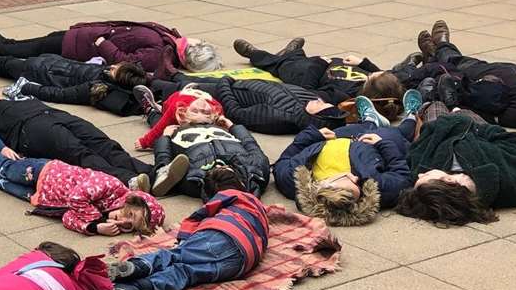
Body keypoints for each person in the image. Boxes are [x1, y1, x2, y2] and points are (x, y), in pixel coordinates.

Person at [107, 171, 271, 290]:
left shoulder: (230, 194)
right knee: (186, 274)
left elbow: (196, 218)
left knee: (174, 255)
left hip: (223, 235)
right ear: (240, 183)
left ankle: (137, 266)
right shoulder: (260, 209)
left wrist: (183, 241)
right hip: (241, 264)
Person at [394, 21, 516, 134]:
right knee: (454, 59)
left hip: (470, 75)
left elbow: (485, 105)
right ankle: (435, 52)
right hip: (491, 67)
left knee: (452, 59)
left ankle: (439, 48)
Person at [0, 86, 151, 184]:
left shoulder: (16, 98)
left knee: (103, 143)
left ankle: (149, 171)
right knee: (79, 152)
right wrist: (3, 148)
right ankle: (127, 179)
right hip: (31, 128)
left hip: (56, 116)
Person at [396, 107, 516, 226]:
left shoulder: (427, 184)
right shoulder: (509, 185)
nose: (421, 174)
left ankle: (427, 100)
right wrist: (480, 129)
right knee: (462, 109)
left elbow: (416, 149)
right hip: (475, 127)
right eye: (426, 176)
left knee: (433, 105)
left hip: (441, 127)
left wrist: (434, 129)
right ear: (449, 181)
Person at [0, 151, 166, 237]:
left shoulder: (107, 215)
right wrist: (96, 220)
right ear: (130, 202)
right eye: (130, 215)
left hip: (43, 200)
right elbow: (76, 198)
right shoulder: (112, 186)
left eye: (130, 226)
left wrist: (93, 228)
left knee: (2, 184)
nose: (124, 221)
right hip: (46, 173)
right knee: (8, 170)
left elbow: (68, 217)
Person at [0, 34, 148, 116]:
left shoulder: (99, 86)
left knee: (6, 64)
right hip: (52, 64)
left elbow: (60, 95)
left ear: (119, 78)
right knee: (5, 67)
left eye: (116, 69)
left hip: (43, 73)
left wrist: (28, 87)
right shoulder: (107, 75)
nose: (113, 66)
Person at [271, 120, 415, 226]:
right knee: (395, 133)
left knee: (361, 124)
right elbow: (401, 175)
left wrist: (310, 136)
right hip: (373, 143)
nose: (355, 177)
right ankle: (411, 118)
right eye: (357, 185)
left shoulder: (293, 179)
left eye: (347, 177)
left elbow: (283, 160)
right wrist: (383, 144)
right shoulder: (378, 190)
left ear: (323, 183)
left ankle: (370, 118)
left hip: (336, 137)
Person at [140, 88, 271, 198]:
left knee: (161, 122)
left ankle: (151, 110)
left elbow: (165, 165)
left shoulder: (193, 180)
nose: (220, 166)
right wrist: (233, 127)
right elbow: (250, 144)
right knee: (194, 106)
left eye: (217, 171)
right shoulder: (257, 171)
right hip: (216, 130)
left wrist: (165, 138)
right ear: (241, 182)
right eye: (227, 169)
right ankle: (157, 106)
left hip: (184, 134)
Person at [138, 74, 346, 136]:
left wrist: (225, 83)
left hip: (221, 94)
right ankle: (150, 77)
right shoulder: (307, 101)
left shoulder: (279, 117)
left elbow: (237, 113)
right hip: (237, 84)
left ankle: (134, 86)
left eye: (321, 106)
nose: (319, 101)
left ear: (315, 118)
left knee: (173, 89)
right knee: (180, 79)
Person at [0, 21, 185, 79]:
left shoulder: (158, 52)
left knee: (38, 48)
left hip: (84, 46)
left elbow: (123, 60)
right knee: (47, 40)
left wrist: (102, 42)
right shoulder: (168, 37)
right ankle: (7, 44)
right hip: (85, 36)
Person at [233, 37, 385, 106]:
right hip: (328, 64)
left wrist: (318, 66)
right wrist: (363, 63)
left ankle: (256, 54)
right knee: (298, 61)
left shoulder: (343, 95)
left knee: (286, 65)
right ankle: (290, 53)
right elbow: (386, 75)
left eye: (373, 75)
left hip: (310, 73)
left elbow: (306, 93)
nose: (375, 72)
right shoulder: (386, 86)